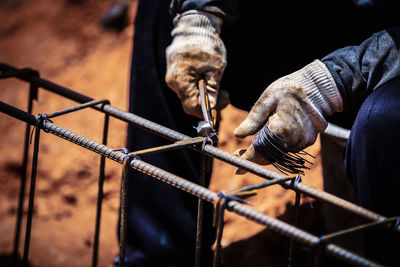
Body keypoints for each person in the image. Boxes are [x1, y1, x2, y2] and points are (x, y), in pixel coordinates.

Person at [120, 0, 400, 266]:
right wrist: (199, 14)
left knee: (381, 120)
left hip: (387, 61)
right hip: (319, 25)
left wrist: (337, 78)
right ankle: (159, 256)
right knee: (165, 10)